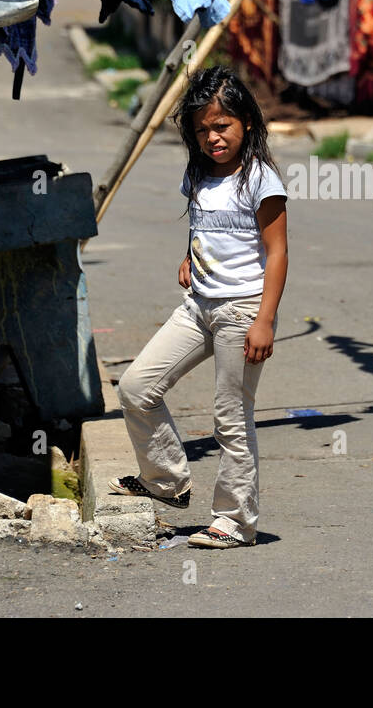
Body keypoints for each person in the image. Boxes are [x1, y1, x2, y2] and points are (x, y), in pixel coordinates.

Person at [111, 67, 288, 548]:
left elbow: (277, 252)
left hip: (242, 311)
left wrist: (265, 321)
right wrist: (190, 255)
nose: (213, 137)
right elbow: (203, 224)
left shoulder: (260, 179)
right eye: (203, 129)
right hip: (197, 307)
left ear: (246, 122)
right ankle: (166, 480)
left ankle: (236, 521)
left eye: (222, 126)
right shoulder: (197, 173)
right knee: (135, 387)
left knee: (231, 419)